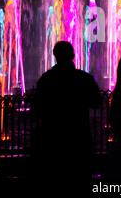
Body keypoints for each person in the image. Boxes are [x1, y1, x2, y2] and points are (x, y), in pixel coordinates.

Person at [33, 41, 100, 183]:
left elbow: (37, 108)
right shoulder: (84, 78)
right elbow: (97, 102)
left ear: (55, 55)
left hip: (53, 138)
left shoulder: (46, 79)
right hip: (79, 137)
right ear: (73, 55)